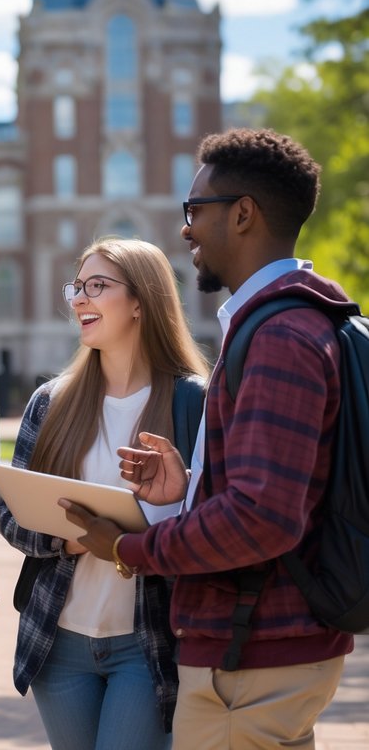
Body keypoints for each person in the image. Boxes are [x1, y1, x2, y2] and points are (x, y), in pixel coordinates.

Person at [64, 129, 356, 749]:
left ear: (244, 213)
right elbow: (272, 494)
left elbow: (261, 519)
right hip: (265, 648)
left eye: (195, 211)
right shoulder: (290, 322)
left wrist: (130, 548)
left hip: (251, 656)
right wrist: (190, 489)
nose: (186, 230)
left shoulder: (279, 336)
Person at [0, 238, 209, 750]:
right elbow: (10, 516)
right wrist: (78, 541)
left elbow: (214, 527)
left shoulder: (193, 402)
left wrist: (143, 529)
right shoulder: (50, 402)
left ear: (141, 301)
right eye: (77, 287)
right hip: (58, 642)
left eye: (98, 287)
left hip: (149, 644)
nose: (78, 299)